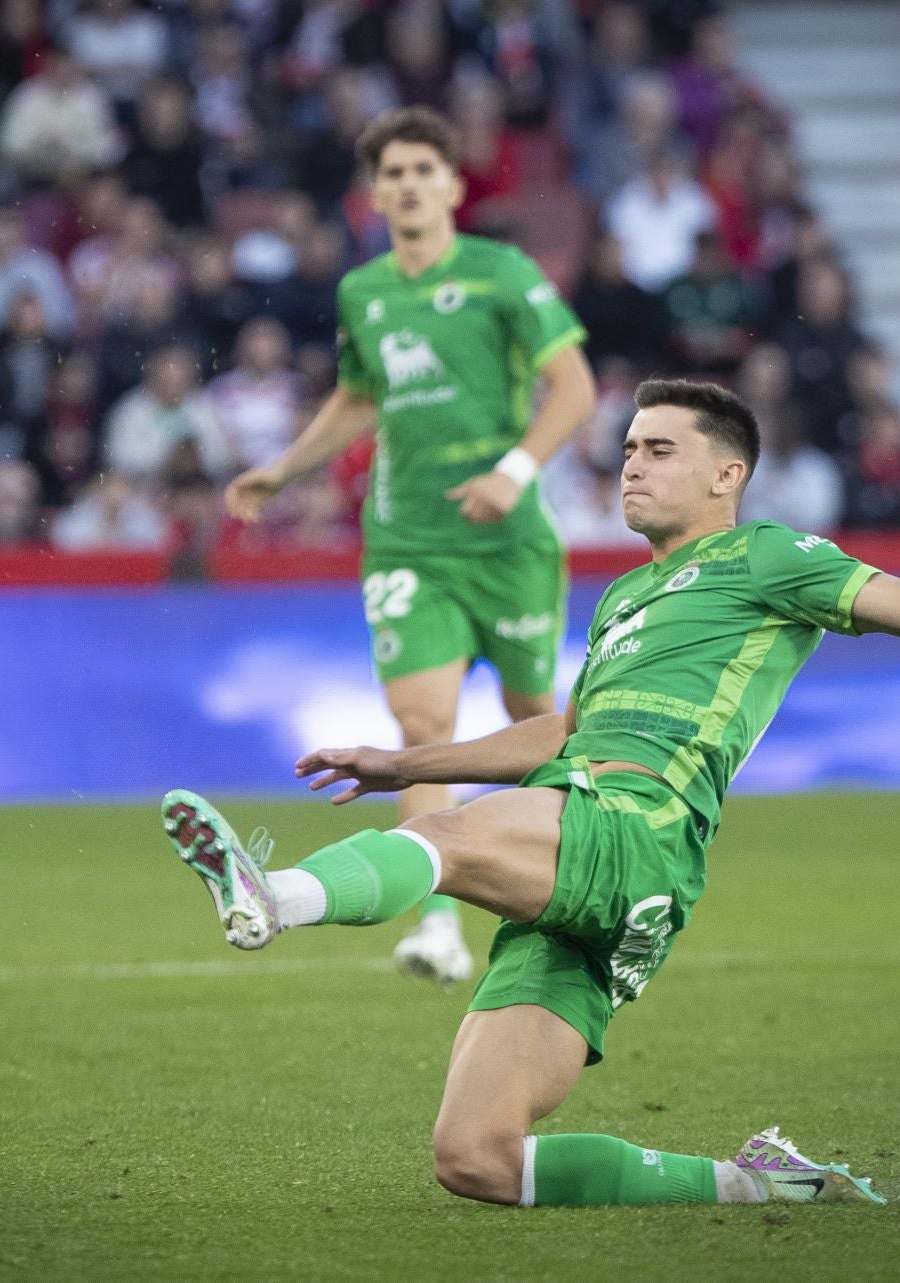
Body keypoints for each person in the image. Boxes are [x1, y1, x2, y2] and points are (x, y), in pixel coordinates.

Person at [163, 376, 900, 1210]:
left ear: (727, 475)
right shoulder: (630, 594)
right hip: (594, 850)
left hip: (635, 829)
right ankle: (754, 1180)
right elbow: (569, 732)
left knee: (449, 837)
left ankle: (279, 893)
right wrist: (410, 759)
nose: (630, 465)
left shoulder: (772, 557)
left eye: (659, 449)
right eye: (628, 448)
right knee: (476, 1157)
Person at [223, 106, 596, 985]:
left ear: (455, 186)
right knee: (423, 726)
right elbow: (358, 399)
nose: (409, 183)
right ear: (376, 189)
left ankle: (577, 881)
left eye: (425, 169)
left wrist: (514, 468)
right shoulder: (365, 291)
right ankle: (439, 922)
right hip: (407, 544)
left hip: (508, 543)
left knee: (533, 714)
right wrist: (283, 470)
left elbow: (573, 386)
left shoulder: (503, 273)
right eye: (393, 172)